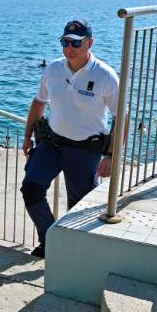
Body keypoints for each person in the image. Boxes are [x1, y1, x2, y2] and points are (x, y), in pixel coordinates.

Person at [20, 20, 118, 260]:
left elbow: (121, 117)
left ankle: (75, 257)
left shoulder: (105, 75)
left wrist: (111, 156)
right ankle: (50, 241)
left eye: (76, 43)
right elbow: (39, 102)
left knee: (79, 207)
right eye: (65, 42)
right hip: (52, 144)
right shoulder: (53, 69)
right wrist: (27, 136)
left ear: (90, 43)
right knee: (31, 189)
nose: (69, 48)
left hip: (85, 151)